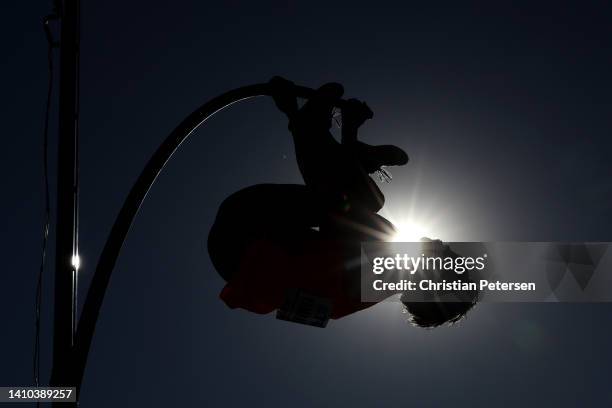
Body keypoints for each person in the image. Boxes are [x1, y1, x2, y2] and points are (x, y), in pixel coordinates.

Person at [207, 77, 476, 328]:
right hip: (245, 250)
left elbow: (337, 207)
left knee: (371, 206)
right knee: (368, 208)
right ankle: (345, 152)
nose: (445, 245)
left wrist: (349, 129)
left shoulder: (380, 271)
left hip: (242, 235)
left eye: (448, 257)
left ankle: (335, 144)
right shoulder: (368, 290)